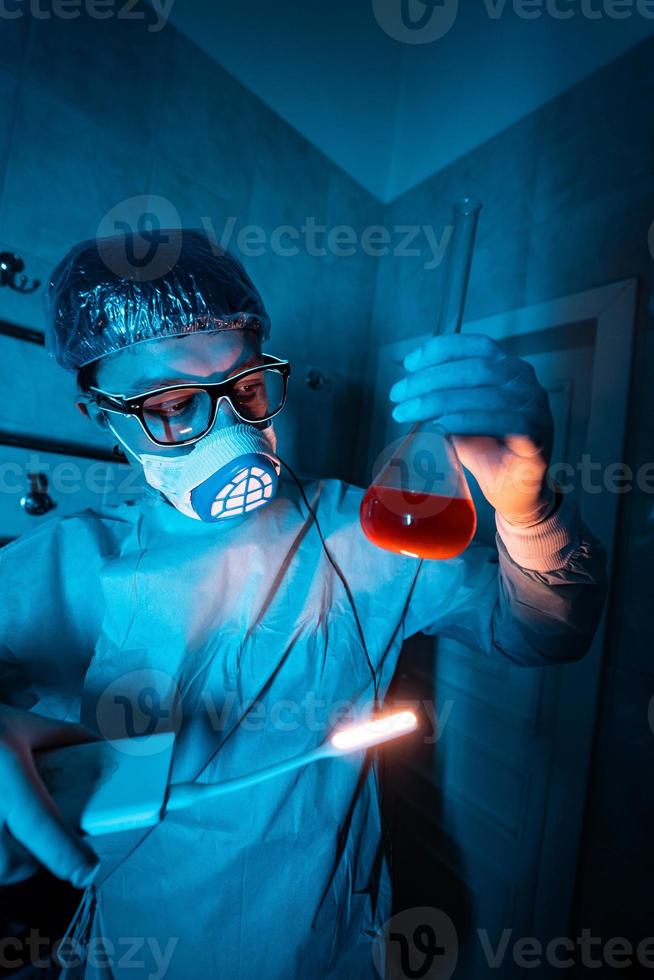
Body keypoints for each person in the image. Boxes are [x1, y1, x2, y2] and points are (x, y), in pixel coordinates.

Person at [0, 229, 606, 979]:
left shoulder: (368, 532)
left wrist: (530, 507)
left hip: (324, 947)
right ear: (103, 417)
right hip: (140, 949)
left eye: (247, 389)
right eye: (176, 405)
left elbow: (546, 633)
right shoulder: (66, 563)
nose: (230, 429)